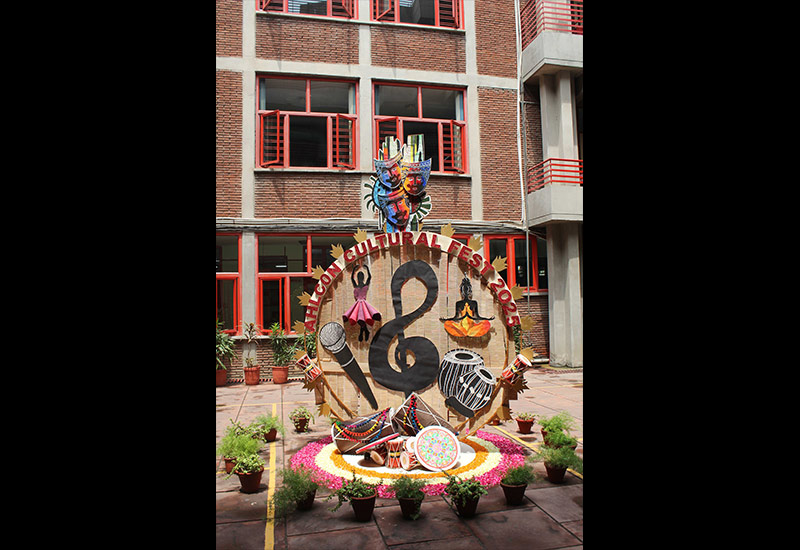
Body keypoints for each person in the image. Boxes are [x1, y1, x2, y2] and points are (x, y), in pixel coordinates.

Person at [342, 264, 382, 341]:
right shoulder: (364, 285)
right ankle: (365, 331)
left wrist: (355, 270)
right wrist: (365, 269)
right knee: (361, 318)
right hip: (361, 303)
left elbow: (353, 278)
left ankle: (363, 332)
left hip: (361, 303)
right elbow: (369, 277)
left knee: (360, 318)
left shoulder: (357, 286)